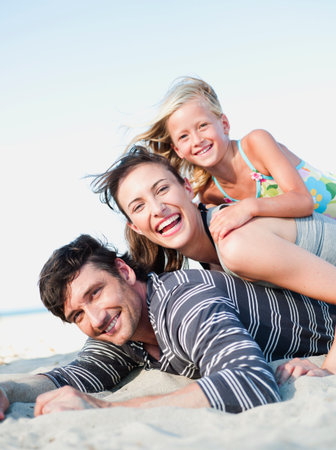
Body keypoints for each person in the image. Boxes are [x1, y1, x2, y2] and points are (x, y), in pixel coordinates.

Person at [1, 234, 336, 420]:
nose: (96, 317)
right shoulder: (122, 329)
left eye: (96, 292)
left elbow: (251, 384)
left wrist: (105, 408)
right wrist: (8, 391)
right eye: (78, 315)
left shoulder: (181, 301)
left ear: (124, 271)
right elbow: (72, 376)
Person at [91, 146, 336, 303]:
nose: (157, 209)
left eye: (162, 189)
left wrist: (327, 370)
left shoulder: (235, 244)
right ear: (135, 227)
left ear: (188, 189)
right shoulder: (212, 262)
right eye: (139, 206)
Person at [130, 76, 336, 240]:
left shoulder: (256, 144)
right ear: (178, 150)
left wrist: (247, 207)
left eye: (203, 126)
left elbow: (303, 201)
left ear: (225, 124)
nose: (197, 140)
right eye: (184, 136)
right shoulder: (210, 195)